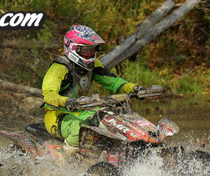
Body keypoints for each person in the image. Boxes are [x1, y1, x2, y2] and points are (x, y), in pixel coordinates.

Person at [42, 24, 145, 155]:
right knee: (79, 130)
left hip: (84, 110)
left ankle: (122, 155)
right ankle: (63, 165)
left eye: (91, 49)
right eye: (85, 50)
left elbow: (113, 81)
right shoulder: (59, 67)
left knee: (114, 121)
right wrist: (67, 101)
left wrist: (134, 88)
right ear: (73, 48)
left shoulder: (93, 65)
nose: (89, 54)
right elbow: (48, 95)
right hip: (57, 115)